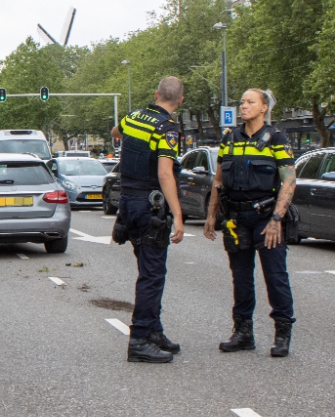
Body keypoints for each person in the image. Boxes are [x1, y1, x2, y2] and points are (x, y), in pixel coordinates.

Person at [204, 89, 296, 357]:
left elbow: (289, 181)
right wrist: (212, 214)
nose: (243, 106)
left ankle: (282, 333)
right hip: (235, 219)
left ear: (264, 107)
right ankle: (243, 332)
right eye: (242, 102)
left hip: (266, 218)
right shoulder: (229, 139)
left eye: (250, 102)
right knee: (241, 278)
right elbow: (219, 180)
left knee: (276, 277)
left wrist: (277, 218)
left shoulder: (276, 139)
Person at [110, 76, 186, 363]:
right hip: (149, 204)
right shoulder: (166, 128)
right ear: (180, 101)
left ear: (156, 94)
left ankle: (154, 330)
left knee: (147, 268)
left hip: (128, 202)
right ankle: (140, 339)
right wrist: (178, 215)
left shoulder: (134, 118)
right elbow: (165, 173)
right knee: (152, 275)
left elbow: (116, 131)